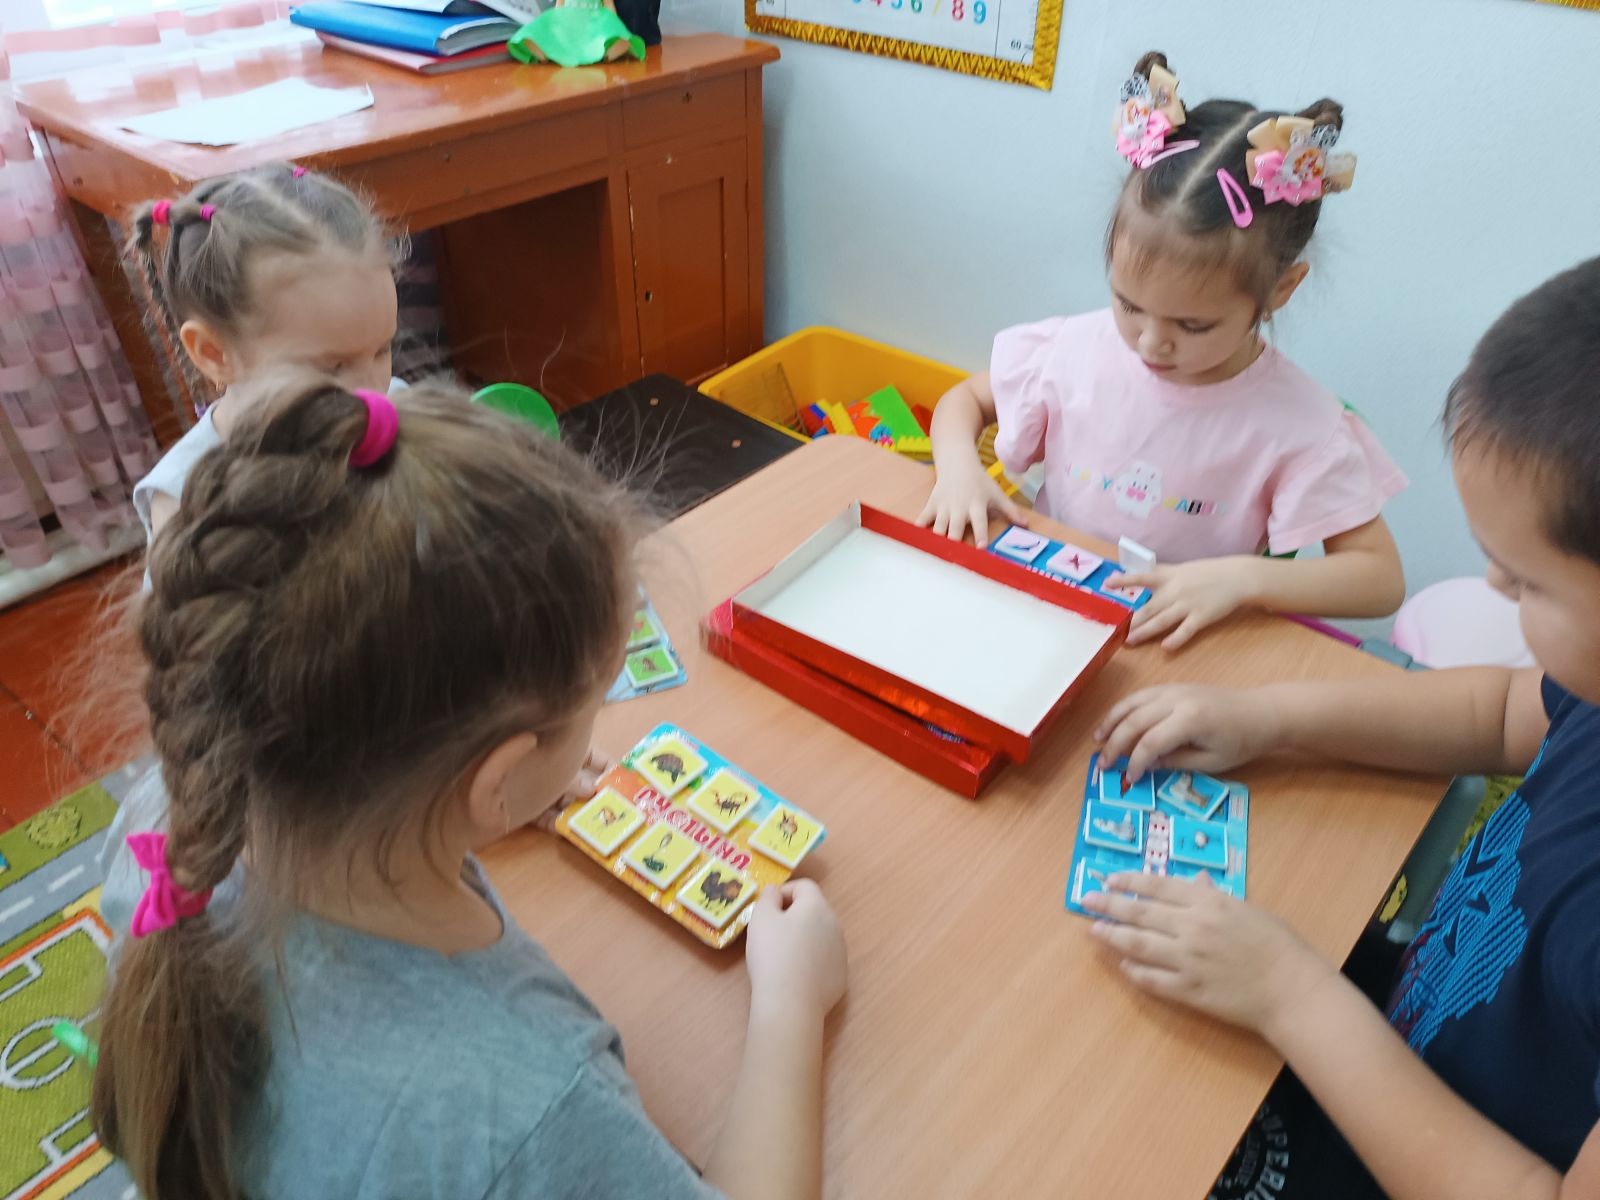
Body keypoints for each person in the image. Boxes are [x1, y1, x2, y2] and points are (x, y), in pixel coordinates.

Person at [93, 374, 848, 1200]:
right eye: (593, 706)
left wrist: (466, 807)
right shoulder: (527, 1111)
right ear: (497, 777)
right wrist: (790, 1004)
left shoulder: (172, 827)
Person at [1089, 257, 1600, 1198]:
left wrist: (1291, 995)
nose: (1493, 586)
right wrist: (1265, 716)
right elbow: (1495, 713)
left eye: (1527, 581)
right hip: (1399, 1046)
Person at [919, 51, 1406, 651]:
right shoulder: (1075, 349)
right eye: (1127, 304)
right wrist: (958, 470)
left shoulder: (1300, 424)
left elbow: (1380, 580)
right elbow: (964, 402)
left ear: (1280, 290)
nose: (1150, 342)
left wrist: (1243, 580)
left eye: (1193, 325)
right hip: (1045, 608)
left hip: (1175, 646)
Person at [126, 163, 402, 540]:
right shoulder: (186, 502)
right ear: (214, 353)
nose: (374, 391)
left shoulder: (398, 407)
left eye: (382, 349)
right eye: (334, 366)